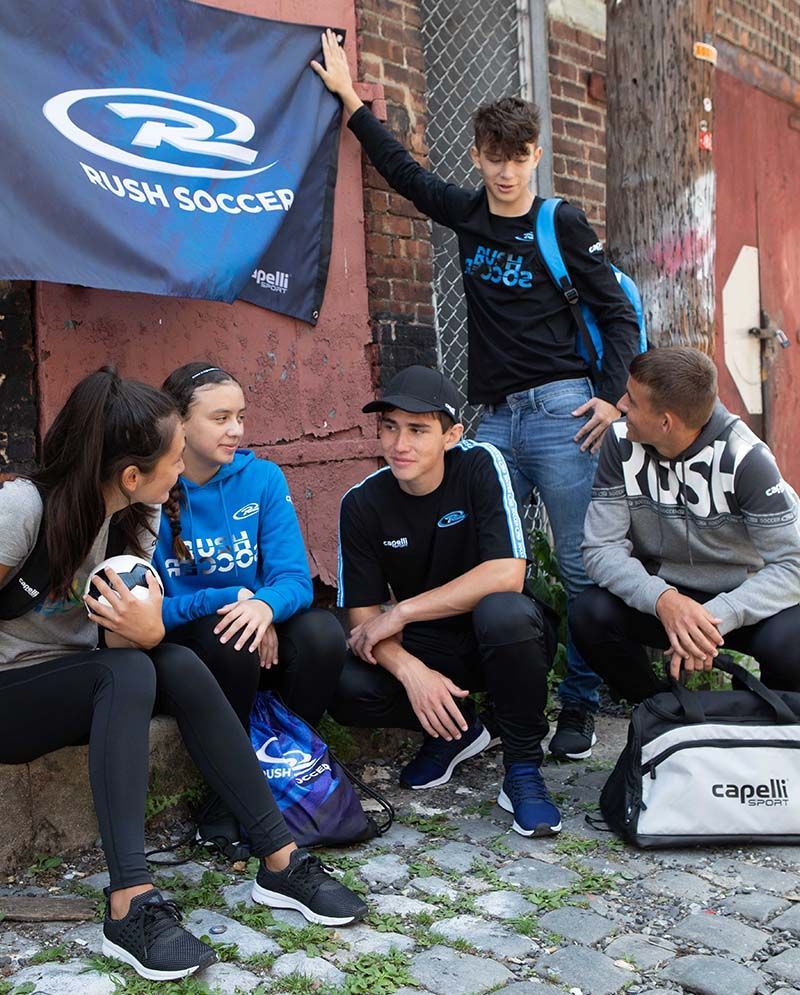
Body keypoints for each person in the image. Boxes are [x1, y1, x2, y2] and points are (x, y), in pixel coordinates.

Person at [311, 31, 641, 760]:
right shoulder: (468, 213)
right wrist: (348, 100)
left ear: (536, 155)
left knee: (582, 565)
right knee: (470, 561)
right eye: (494, 156)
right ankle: (482, 696)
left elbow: (617, 312)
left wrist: (611, 397)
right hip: (490, 419)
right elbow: (402, 172)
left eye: (518, 157)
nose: (506, 171)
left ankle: (579, 706)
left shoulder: (560, 222)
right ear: (479, 154)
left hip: (563, 413)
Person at [0, 368, 366, 983]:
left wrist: (145, 631)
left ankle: (279, 858)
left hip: (77, 676)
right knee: (123, 676)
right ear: (131, 474)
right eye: (171, 462)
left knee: (170, 661)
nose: (181, 477)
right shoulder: (22, 508)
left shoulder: (133, 520)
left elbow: (129, 638)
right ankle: (130, 901)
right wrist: (135, 639)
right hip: (10, 690)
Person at [330, 365, 561, 837]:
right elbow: (363, 620)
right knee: (346, 683)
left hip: (500, 636)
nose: (400, 444)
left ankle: (522, 769)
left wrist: (405, 610)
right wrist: (412, 672)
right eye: (390, 428)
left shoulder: (480, 464)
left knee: (505, 610)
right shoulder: (361, 503)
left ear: (452, 435)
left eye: (417, 430)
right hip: (429, 647)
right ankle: (457, 729)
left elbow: (507, 574)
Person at [155, 362, 347, 859]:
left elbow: (293, 580)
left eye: (240, 416)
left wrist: (264, 607)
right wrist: (236, 605)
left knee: (323, 634)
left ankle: (283, 770)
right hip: (190, 639)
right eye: (220, 418)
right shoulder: (152, 488)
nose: (236, 430)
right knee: (231, 639)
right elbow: (154, 607)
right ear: (179, 422)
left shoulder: (261, 477)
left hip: (253, 624)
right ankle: (229, 794)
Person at [571, 346, 800, 698]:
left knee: (792, 642)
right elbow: (601, 549)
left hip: (738, 599)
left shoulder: (746, 459)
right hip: (666, 595)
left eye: (631, 400)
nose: (620, 405)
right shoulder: (620, 443)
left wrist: (709, 619)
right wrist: (664, 600)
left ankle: (763, 722)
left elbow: (793, 564)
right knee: (589, 613)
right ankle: (658, 710)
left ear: (666, 422)